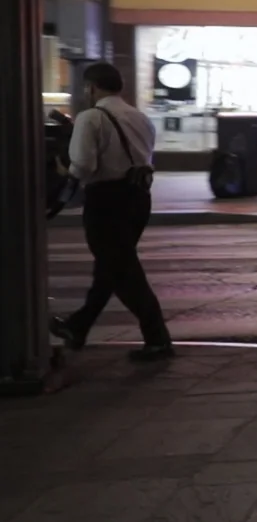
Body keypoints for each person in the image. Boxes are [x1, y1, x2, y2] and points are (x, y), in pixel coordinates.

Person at [49, 62, 174, 361]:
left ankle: (158, 339)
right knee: (110, 267)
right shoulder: (141, 117)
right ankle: (78, 327)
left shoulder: (91, 117)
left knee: (123, 271)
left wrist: (64, 170)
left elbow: (84, 165)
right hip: (139, 198)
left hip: (106, 200)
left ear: (91, 87)